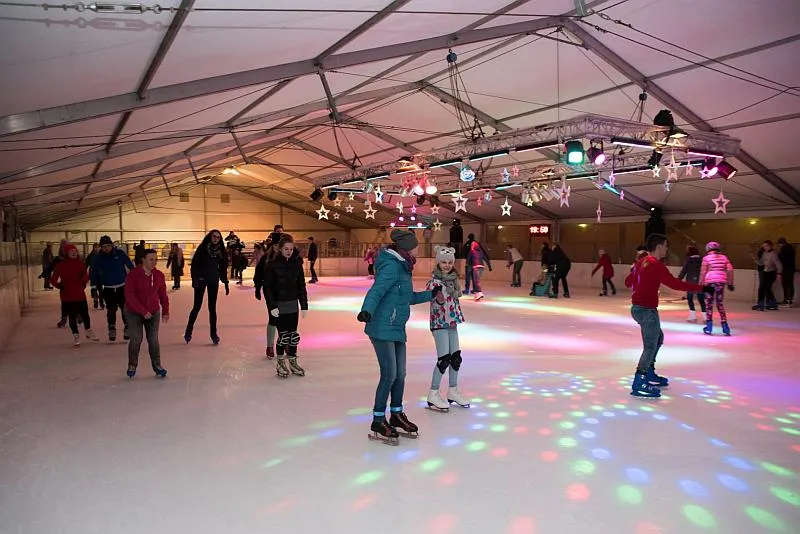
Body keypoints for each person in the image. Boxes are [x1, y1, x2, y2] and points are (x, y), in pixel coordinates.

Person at [357, 229, 442, 445]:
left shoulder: (404, 266)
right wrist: (367, 310)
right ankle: (378, 419)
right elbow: (376, 290)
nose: (419, 249)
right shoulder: (392, 266)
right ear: (407, 248)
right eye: (416, 246)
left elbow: (408, 297)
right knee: (389, 374)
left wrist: (430, 295)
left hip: (396, 327)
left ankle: (395, 414)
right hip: (381, 326)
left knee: (401, 374)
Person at [624, 234, 713, 398]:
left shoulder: (641, 262)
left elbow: (628, 282)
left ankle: (649, 372)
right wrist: (703, 288)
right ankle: (640, 380)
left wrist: (636, 272)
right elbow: (675, 283)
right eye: (665, 246)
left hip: (638, 309)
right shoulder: (655, 265)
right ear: (658, 247)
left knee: (658, 339)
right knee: (650, 346)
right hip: (646, 310)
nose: (667, 249)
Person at [258, 234, 308, 378]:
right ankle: (280, 362)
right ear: (280, 249)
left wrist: (303, 304)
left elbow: (301, 285)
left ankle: (292, 361)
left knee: (292, 335)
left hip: (293, 305)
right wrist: (272, 306)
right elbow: (267, 287)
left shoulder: (296, 264)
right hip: (279, 306)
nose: (289, 251)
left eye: (291, 249)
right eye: (286, 249)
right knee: (283, 336)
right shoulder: (272, 265)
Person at [425, 246, 468, 411]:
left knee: (455, 358)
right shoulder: (435, 282)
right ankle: (433, 393)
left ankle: (453, 390)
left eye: (450, 262)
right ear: (438, 263)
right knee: (444, 359)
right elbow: (433, 297)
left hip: (452, 323)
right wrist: (439, 298)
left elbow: (455, 300)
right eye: (443, 262)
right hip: (439, 323)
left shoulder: (453, 281)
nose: (447, 265)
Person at [124, 249, 169, 379]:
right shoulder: (133, 275)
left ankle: (157, 366)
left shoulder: (159, 275)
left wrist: (165, 310)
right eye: (151, 259)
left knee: (153, 340)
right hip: (134, 312)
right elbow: (129, 296)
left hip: (153, 312)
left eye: (155, 259)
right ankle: (132, 365)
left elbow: (163, 295)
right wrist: (142, 311)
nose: (154, 262)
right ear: (143, 259)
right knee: (136, 339)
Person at [185, 229, 230, 345]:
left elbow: (223, 268)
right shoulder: (202, 249)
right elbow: (194, 265)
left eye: (218, 237)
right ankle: (188, 331)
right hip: (201, 280)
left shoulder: (221, 252)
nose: (216, 239)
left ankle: (213, 334)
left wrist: (225, 282)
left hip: (213, 281)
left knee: (212, 309)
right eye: (214, 236)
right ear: (210, 237)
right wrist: (195, 279)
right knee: (196, 307)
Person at [51, 244, 99, 346]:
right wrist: (60, 286)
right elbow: (53, 279)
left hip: (79, 294)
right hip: (67, 296)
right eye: (71, 251)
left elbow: (86, 275)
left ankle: (88, 330)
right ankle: (76, 335)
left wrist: (83, 282)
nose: (73, 253)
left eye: (75, 251)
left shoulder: (80, 264)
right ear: (66, 253)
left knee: (85, 315)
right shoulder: (61, 266)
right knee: (72, 317)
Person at [91, 235, 135, 342]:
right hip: (108, 288)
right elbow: (94, 273)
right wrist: (94, 287)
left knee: (125, 308)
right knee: (111, 310)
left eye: (108, 246)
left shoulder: (119, 253)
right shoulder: (98, 258)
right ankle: (112, 328)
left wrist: (136, 279)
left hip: (122, 286)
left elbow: (130, 266)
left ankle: (127, 327)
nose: (106, 248)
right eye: (104, 246)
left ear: (111, 245)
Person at [699, 241, 735, 336]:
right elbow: (730, 270)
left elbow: (703, 272)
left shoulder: (706, 258)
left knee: (709, 304)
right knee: (719, 303)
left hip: (709, 282)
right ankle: (725, 327)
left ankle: (709, 327)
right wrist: (730, 283)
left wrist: (700, 284)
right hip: (720, 282)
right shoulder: (724, 258)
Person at [677, 245, 705, 322]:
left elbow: (684, 270)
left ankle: (692, 317)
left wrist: (679, 279)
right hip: (700, 282)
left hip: (690, 282)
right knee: (701, 299)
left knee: (690, 299)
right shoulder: (702, 259)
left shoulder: (688, 260)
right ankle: (706, 318)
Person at [753, 240, 782, 311]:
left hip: (771, 273)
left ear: (770, 246)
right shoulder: (765, 253)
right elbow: (761, 263)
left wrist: (779, 273)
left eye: (766, 246)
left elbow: (779, 264)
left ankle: (761, 304)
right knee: (767, 289)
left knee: (763, 288)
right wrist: (755, 259)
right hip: (765, 272)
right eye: (764, 246)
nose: (764, 247)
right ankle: (772, 304)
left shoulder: (774, 254)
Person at [84, 243, 105, 309]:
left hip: (100, 275)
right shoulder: (90, 256)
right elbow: (86, 265)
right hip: (93, 275)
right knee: (94, 289)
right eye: (95, 247)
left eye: (98, 247)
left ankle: (101, 303)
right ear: (93, 248)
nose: (97, 248)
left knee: (100, 289)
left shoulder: (102, 255)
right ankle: (95, 301)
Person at [777, 237, 795, 307]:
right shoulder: (789, 248)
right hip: (788, 269)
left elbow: (781, 258)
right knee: (787, 284)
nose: (779, 246)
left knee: (787, 284)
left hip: (787, 269)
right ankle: (787, 300)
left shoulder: (786, 249)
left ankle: (788, 300)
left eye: (779, 244)